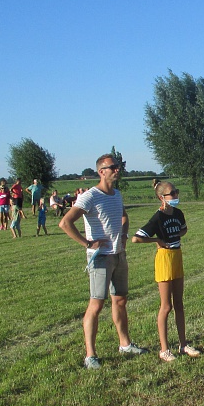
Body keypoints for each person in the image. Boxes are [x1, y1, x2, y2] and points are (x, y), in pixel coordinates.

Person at [60, 154, 144, 369]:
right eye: (112, 167)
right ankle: (90, 355)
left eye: (118, 166)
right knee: (96, 304)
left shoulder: (116, 194)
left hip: (119, 255)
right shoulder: (90, 196)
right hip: (100, 258)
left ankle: (125, 344)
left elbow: (124, 217)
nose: (117, 170)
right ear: (101, 171)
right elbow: (65, 223)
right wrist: (88, 243)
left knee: (120, 300)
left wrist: (123, 235)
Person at [132, 181, 200, 361]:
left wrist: (176, 235)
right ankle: (164, 349)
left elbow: (183, 229)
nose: (176, 195)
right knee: (166, 306)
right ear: (162, 197)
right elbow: (136, 238)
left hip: (177, 256)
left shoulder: (178, 213)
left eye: (176, 191)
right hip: (164, 259)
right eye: (172, 193)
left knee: (179, 303)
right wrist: (157, 241)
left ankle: (183, 345)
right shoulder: (158, 217)